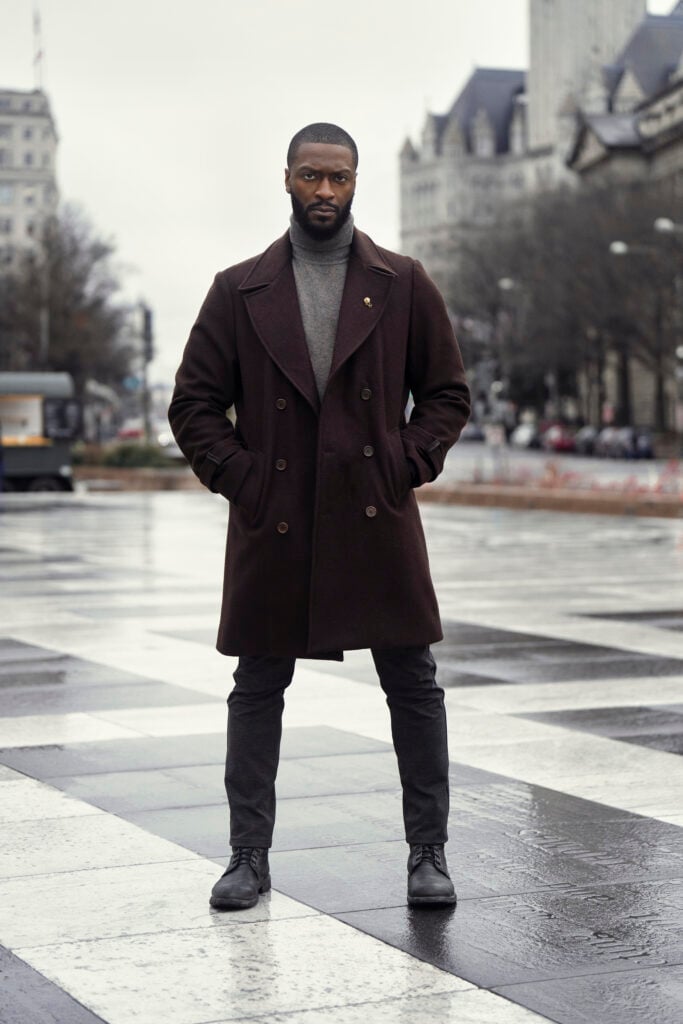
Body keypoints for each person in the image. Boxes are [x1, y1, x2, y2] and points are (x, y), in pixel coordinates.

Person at [169, 122, 470, 911]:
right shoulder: (239, 289)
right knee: (257, 683)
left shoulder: (402, 282)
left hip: (374, 510)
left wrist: (404, 461)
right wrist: (242, 480)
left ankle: (428, 854)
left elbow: (446, 394)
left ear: (356, 182)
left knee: (412, 680)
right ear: (287, 180)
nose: (325, 192)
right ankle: (246, 857)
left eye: (338, 178)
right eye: (311, 177)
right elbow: (194, 402)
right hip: (276, 517)